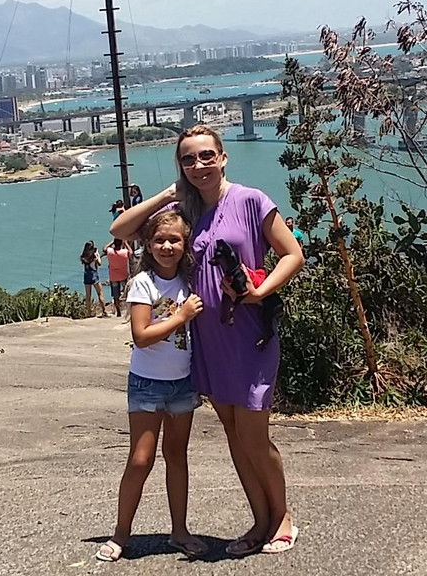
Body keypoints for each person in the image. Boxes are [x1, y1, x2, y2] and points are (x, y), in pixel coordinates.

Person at [110, 125, 305, 557]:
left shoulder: (251, 200)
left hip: (250, 335)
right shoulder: (186, 208)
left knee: (254, 435)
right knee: (234, 435)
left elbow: (293, 255)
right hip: (207, 339)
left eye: (206, 156)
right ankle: (260, 522)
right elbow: (121, 228)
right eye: (188, 159)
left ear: (222, 157)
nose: (198, 165)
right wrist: (169, 194)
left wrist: (259, 291)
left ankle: (282, 517)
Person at [96, 210, 206, 562]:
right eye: (159, 240)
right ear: (147, 244)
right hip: (147, 383)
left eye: (174, 239)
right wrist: (181, 316)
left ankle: (180, 531)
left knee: (177, 457)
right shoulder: (143, 283)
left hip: (183, 382)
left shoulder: (190, 280)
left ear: (185, 243)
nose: (167, 246)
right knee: (140, 460)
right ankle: (121, 533)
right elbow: (141, 336)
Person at [103, 237, 133, 318]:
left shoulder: (110, 252)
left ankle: (118, 311)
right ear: (121, 244)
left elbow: (104, 248)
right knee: (128, 293)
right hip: (123, 275)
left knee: (116, 296)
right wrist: (126, 243)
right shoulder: (124, 252)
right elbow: (131, 252)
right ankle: (129, 309)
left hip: (113, 277)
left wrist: (111, 241)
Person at [81, 240, 107, 316]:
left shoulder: (84, 256)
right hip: (94, 276)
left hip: (86, 276)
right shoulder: (94, 255)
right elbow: (99, 263)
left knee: (88, 295)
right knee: (100, 293)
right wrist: (98, 256)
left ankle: (88, 312)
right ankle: (104, 311)